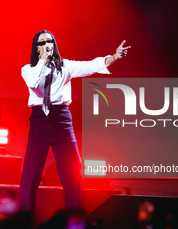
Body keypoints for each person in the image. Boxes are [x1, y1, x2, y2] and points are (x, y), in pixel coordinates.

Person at [20, 30, 131, 213]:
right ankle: (23, 224)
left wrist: (114, 57)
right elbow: (35, 84)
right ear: (36, 47)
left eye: (50, 41)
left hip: (62, 119)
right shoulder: (28, 69)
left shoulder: (66, 66)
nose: (47, 44)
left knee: (73, 175)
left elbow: (90, 66)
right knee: (30, 176)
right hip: (40, 120)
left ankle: (74, 226)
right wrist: (43, 61)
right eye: (42, 42)